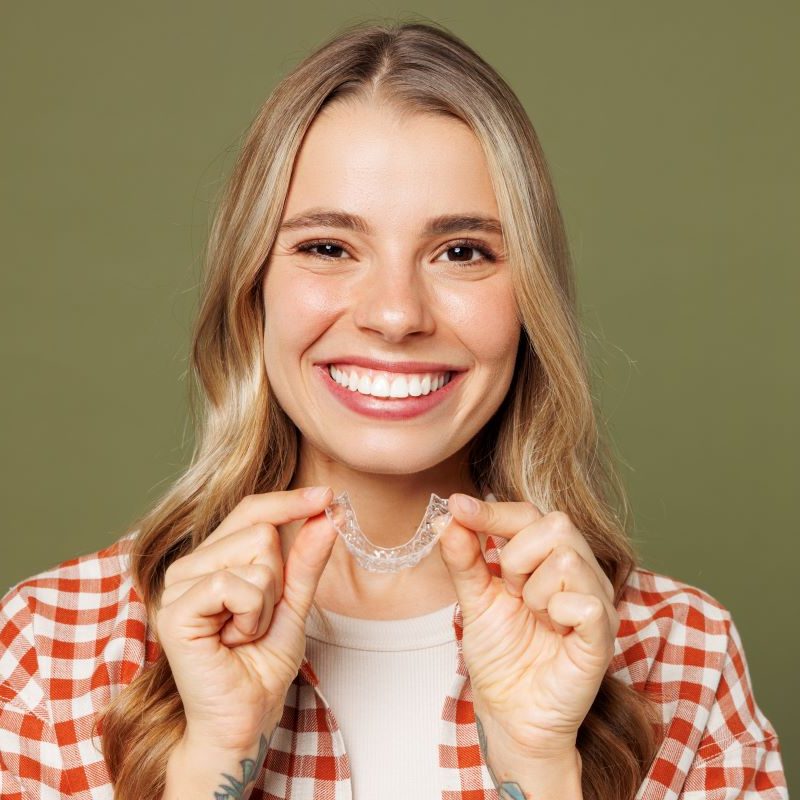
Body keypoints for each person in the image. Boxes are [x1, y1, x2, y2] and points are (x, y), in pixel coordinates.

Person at [0, 19, 787, 800]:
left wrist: (542, 770)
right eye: (329, 247)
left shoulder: (681, 652)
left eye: (462, 252)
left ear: (531, 304)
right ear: (253, 292)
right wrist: (215, 759)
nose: (395, 314)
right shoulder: (49, 647)